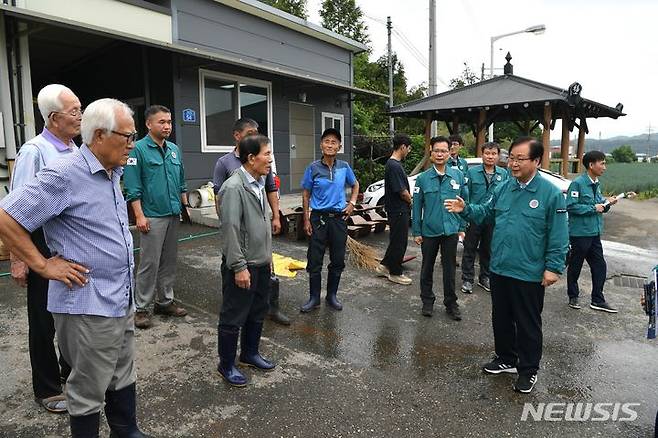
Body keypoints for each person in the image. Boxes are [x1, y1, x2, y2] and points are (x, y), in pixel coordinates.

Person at [0, 98, 149, 437]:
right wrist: (41, 264)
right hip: (87, 304)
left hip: (118, 298)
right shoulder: (65, 173)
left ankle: (126, 430)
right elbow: (6, 217)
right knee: (87, 387)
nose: (131, 144)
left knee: (121, 371)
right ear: (99, 135)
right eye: (127, 136)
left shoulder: (112, 170)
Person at [445, 137, 569, 394]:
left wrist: (554, 267)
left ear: (536, 161)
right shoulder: (504, 188)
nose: (513, 163)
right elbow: (486, 213)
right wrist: (465, 208)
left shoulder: (550, 194)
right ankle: (506, 358)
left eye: (519, 158)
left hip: (529, 271)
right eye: (510, 157)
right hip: (500, 267)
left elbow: (558, 235)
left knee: (527, 323)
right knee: (500, 318)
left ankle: (528, 369)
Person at [8, 84, 78, 414]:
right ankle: (47, 388)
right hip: (41, 245)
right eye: (74, 111)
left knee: (70, 315)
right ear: (53, 118)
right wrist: (20, 260)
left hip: (69, 245)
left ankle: (70, 373)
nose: (81, 116)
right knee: (43, 320)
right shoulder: (33, 152)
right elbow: (14, 212)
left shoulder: (75, 148)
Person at [211, 117, 288, 325]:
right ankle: (228, 357)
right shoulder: (226, 166)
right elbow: (220, 198)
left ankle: (270, 311)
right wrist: (228, 219)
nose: (270, 159)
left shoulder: (261, 176)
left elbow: (271, 190)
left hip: (259, 246)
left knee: (259, 301)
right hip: (241, 243)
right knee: (235, 309)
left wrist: (275, 215)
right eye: (250, 132)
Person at [216, 134, 276, 387]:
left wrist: (268, 259)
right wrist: (239, 267)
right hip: (242, 265)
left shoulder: (258, 183)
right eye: (267, 155)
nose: (271, 160)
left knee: (257, 311)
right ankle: (226, 364)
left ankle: (250, 353)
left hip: (261, 262)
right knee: (233, 315)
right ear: (251, 158)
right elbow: (230, 230)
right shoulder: (234, 187)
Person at [124, 105, 189, 329]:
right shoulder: (138, 150)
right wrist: (139, 216)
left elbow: (181, 179)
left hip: (172, 214)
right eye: (162, 122)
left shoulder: (174, 149)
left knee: (169, 261)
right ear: (149, 124)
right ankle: (141, 308)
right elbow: (132, 186)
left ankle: (164, 301)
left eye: (169, 122)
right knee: (149, 263)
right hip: (152, 216)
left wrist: (184, 207)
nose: (167, 126)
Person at [300, 128, 359, 312]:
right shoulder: (313, 168)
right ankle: (314, 298)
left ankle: (332, 296)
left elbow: (355, 184)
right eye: (327, 141)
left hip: (338, 220)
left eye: (334, 142)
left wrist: (352, 203)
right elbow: (306, 194)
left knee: (338, 259)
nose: (330, 145)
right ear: (321, 145)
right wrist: (306, 220)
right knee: (315, 259)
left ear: (339, 146)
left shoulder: (344, 167)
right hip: (318, 218)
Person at [412, 136, 468, 321]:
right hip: (429, 230)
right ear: (431, 151)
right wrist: (417, 231)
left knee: (450, 268)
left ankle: (451, 303)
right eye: (437, 150)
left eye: (444, 151)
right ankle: (427, 301)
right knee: (427, 267)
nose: (440, 154)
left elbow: (463, 203)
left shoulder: (458, 175)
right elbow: (417, 207)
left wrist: (461, 226)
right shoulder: (423, 178)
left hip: (451, 230)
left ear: (449, 152)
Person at [566, 150, 620, 313]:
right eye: (602, 163)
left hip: (594, 232)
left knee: (600, 266)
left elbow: (599, 207)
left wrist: (607, 203)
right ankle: (573, 296)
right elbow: (571, 206)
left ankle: (597, 299)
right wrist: (593, 207)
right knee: (575, 265)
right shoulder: (578, 184)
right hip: (580, 233)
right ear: (591, 165)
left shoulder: (596, 183)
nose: (605, 167)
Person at [461, 142, 508, 294]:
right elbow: (465, 195)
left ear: (498, 156)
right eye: (487, 153)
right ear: (482, 154)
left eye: (494, 154)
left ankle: (484, 277)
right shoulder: (472, 172)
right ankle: (467, 279)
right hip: (474, 217)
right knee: (469, 249)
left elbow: (505, 196)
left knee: (488, 250)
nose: (490, 156)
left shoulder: (503, 174)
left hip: (492, 219)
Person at [375, 133, 413, 285]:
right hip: (398, 209)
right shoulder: (394, 165)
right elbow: (402, 191)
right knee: (400, 242)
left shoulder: (393, 164)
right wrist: (411, 201)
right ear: (402, 147)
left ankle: (384, 266)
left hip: (396, 209)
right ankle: (395, 273)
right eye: (408, 148)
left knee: (395, 240)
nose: (408, 151)